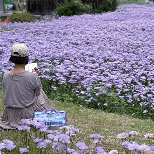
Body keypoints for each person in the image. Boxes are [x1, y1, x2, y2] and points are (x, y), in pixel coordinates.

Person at [0, 44, 54, 129]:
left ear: (12, 58)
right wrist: (35, 76)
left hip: (9, 114)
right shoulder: (32, 76)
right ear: (26, 59)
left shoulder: (6, 75)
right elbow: (37, 94)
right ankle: (49, 113)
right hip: (26, 114)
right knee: (40, 92)